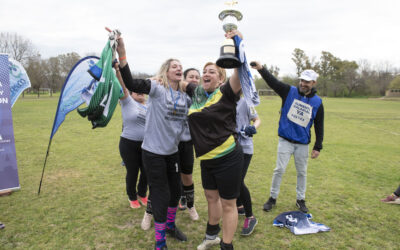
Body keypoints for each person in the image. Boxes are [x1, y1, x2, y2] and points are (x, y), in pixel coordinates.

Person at [117, 36, 189, 249]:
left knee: (175, 193)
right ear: (166, 71)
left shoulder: (186, 96)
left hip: (172, 152)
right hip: (153, 153)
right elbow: (131, 83)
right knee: (160, 194)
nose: (178, 68)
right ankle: (160, 241)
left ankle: (170, 226)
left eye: (180, 66)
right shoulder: (158, 89)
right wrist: (122, 53)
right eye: (174, 66)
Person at [181, 29, 244, 250]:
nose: (206, 74)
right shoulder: (197, 95)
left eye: (212, 72)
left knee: (229, 204)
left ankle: (226, 245)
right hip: (207, 160)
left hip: (228, 158)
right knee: (210, 198)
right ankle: (211, 236)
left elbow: (241, 73)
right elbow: (176, 81)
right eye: (204, 71)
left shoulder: (227, 92)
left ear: (220, 78)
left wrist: (237, 42)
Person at [250, 61, 324, 214]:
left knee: (302, 172)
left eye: (307, 82)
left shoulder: (317, 102)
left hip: (302, 143)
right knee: (279, 170)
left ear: (313, 83)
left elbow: (319, 125)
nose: (303, 84)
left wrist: (318, 146)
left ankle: (300, 200)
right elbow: (273, 82)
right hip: (285, 140)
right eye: (302, 80)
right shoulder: (288, 91)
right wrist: (262, 69)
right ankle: (272, 198)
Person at [116, 64, 148, 209]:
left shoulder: (150, 105)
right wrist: (117, 70)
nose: (139, 92)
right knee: (133, 171)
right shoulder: (128, 102)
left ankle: (142, 194)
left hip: (147, 144)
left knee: (146, 171)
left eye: (141, 91)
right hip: (128, 144)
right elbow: (122, 86)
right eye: (136, 91)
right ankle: (132, 196)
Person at [235, 96, 261, 236]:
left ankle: (250, 217)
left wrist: (252, 127)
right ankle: (239, 206)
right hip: (228, 147)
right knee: (234, 179)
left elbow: (257, 119)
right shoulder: (221, 99)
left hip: (244, 147)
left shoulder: (245, 101)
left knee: (238, 181)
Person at [177, 68, 200, 221]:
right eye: (191, 76)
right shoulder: (174, 94)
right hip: (169, 142)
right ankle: (176, 199)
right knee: (170, 175)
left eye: (197, 77)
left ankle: (190, 204)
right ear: (184, 79)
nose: (194, 79)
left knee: (187, 175)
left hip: (187, 142)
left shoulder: (199, 97)